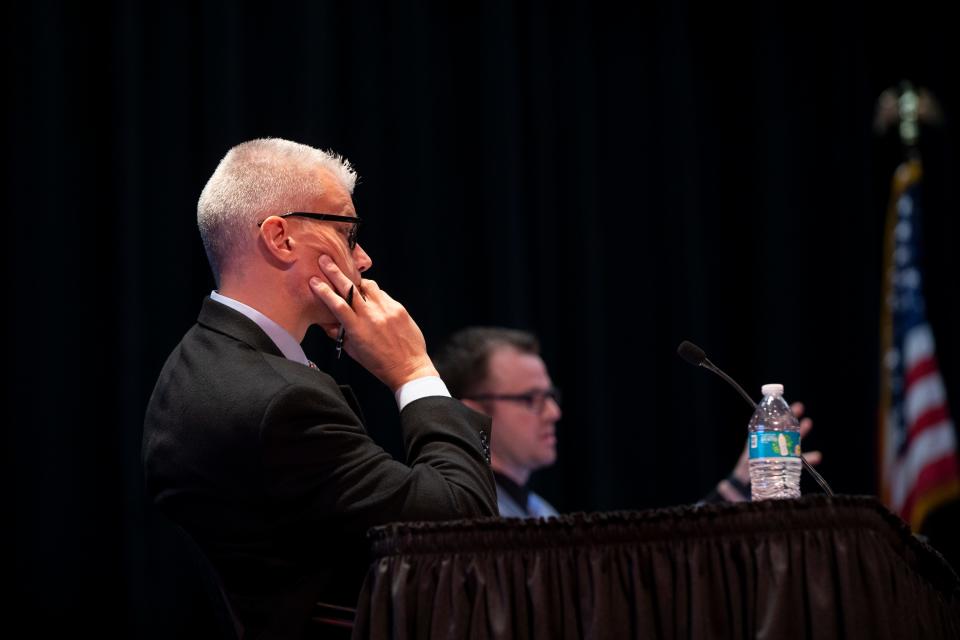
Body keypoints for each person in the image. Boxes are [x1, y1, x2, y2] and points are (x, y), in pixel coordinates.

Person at [142, 138, 497, 639]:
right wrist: (414, 370)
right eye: (348, 234)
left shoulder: (197, 359)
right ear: (280, 238)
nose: (365, 259)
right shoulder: (281, 401)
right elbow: (461, 530)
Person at [432, 327, 821, 517]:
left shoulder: (539, 510)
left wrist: (737, 486)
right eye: (532, 400)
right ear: (474, 413)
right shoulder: (465, 516)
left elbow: (648, 567)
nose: (553, 413)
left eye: (551, 397)